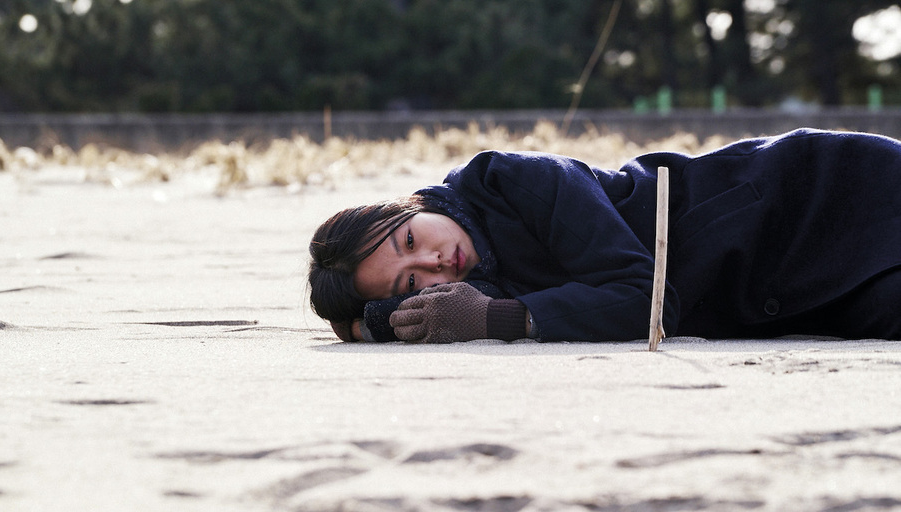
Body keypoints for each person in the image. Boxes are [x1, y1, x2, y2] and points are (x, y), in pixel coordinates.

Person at [308, 128, 901, 343]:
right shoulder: (471, 285)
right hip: (785, 294)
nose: (440, 263)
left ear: (409, 205)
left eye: (411, 241)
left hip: (809, 198)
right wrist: (371, 324)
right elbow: (392, 315)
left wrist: (498, 320)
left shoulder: (515, 180)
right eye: (415, 283)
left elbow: (648, 301)